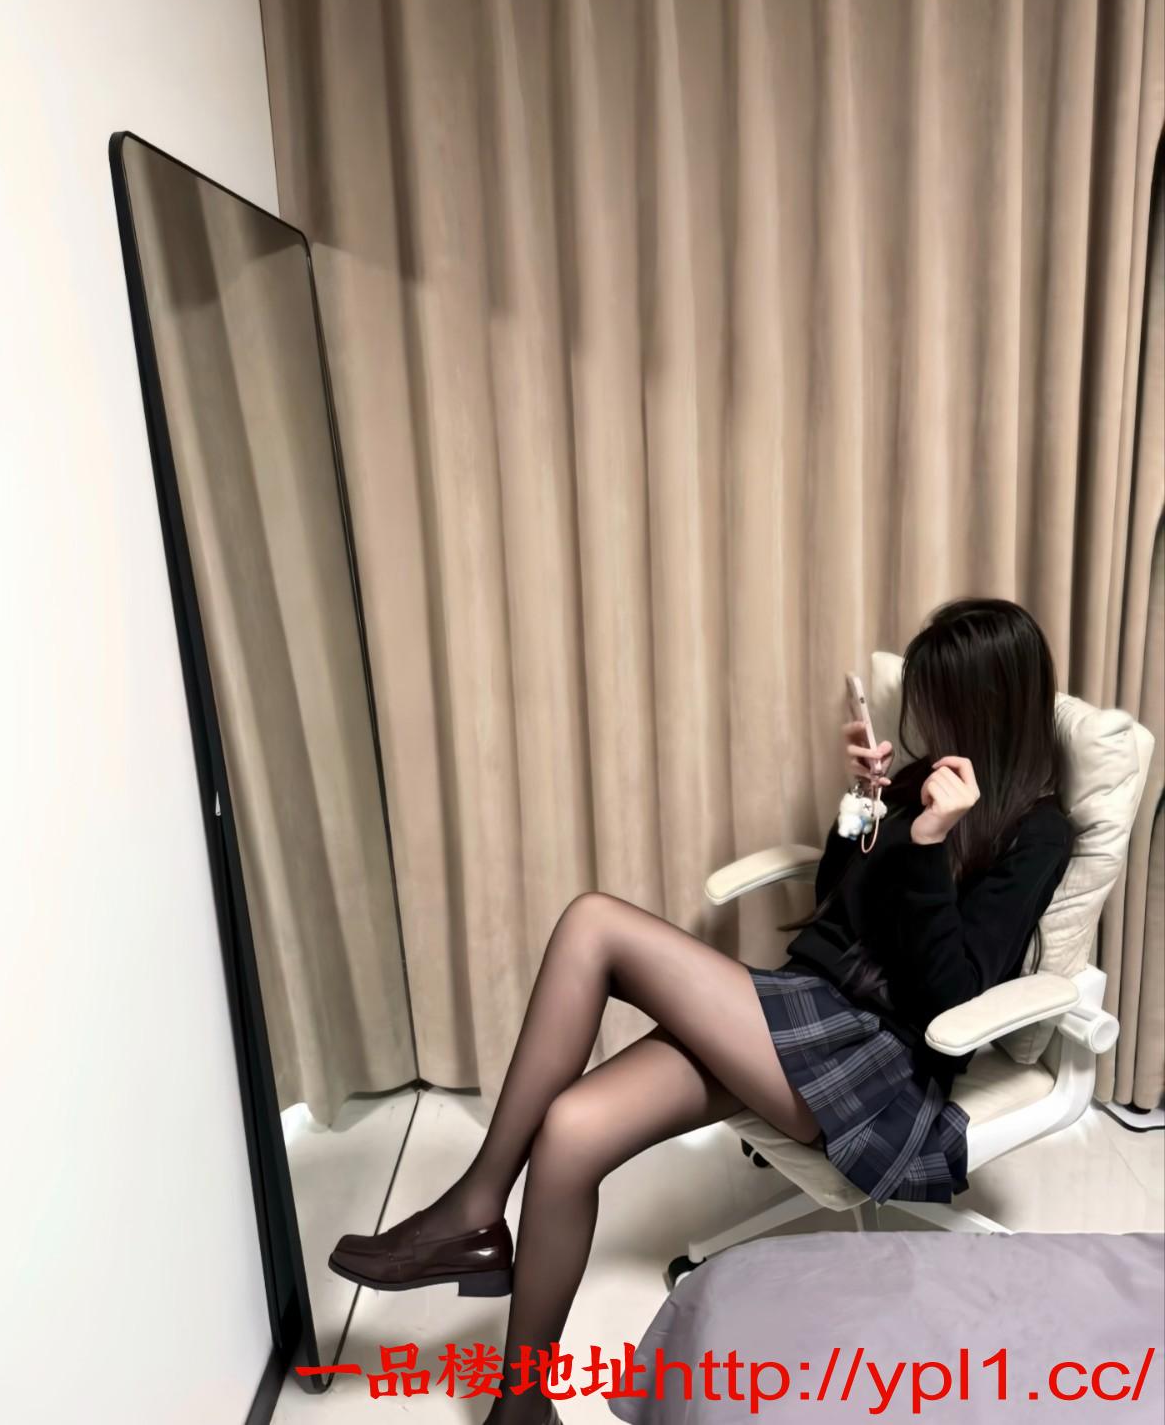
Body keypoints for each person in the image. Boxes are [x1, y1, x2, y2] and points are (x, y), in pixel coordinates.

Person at [330, 597, 1074, 1424]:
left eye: (940, 704)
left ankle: (474, 1208)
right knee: (570, 1131)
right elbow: (838, 902)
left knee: (593, 924)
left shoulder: (1037, 831)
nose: (925, 724)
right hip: (803, 1012)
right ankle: (522, 1405)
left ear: (987, 705)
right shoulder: (918, 780)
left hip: (875, 1065)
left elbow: (952, 994)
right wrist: (864, 805)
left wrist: (931, 841)